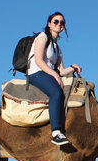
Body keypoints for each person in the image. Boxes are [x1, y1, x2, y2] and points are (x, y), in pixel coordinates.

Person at [26, 12, 82, 146]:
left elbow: (61, 71)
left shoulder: (57, 48)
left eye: (62, 23)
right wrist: (55, 75)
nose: (59, 24)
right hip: (36, 73)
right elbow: (39, 61)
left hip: (47, 73)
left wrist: (72, 67)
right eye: (56, 21)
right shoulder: (42, 37)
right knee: (56, 92)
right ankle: (56, 132)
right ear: (49, 24)